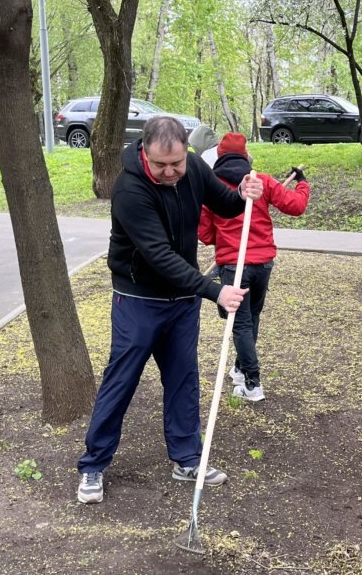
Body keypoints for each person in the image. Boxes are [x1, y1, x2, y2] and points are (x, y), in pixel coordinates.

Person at [76, 116, 264, 504]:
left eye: (175, 163)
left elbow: (227, 205)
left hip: (181, 302)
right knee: (121, 380)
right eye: (160, 164)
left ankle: (187, 459)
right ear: (144, 152)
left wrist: (245, 192)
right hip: (138, 300)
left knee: (183, 379)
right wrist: (215, 290)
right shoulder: (129, 189)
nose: (169, 172)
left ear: (185, 152)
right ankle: (93, 465)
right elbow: (159, 256)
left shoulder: (192, 167)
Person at [198, 132, 310, 402]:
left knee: (240, 324)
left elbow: (204, 234)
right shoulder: (263, 181)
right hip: (262, 264)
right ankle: (240, 369)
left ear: (220, 157)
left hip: (233, 264)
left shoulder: (212, 188)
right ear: (246, 156)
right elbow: (297, 205)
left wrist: (222, 237)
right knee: (250, 318)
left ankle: (252, 383)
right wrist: (302, 183)